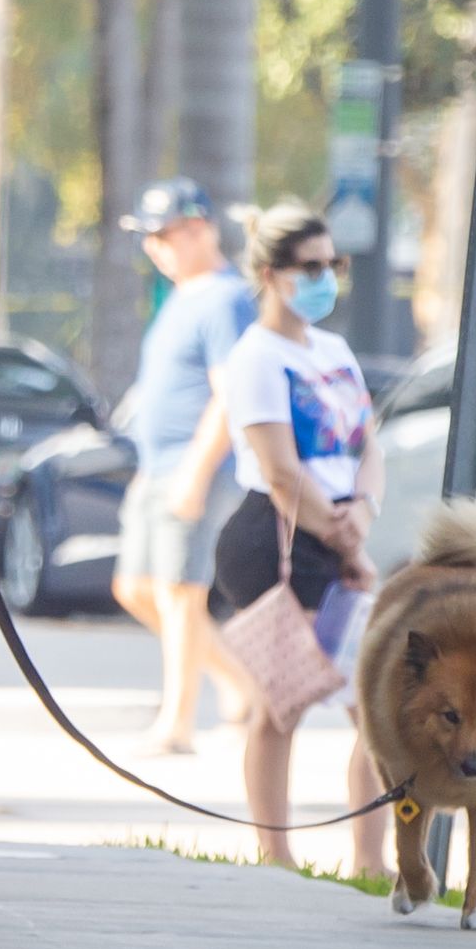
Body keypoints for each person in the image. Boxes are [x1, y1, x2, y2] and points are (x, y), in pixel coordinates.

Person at [213, 202, 387, 875]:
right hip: (279, 539)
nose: (324, 279)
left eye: (332, 265)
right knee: (279, 707)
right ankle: (275, 854)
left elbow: (368, 445)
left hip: (341, 532)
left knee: (376, 706)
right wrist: (347, 542)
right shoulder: (256, 356)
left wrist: (362, 516)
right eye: (309, 267)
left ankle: (372, 864)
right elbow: (282, 469)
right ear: (269, 274)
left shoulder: (334, 351)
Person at [114, 178, 255, 753]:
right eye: (149, 238)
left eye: (163, 235)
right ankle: (240, 681)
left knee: (179, 591)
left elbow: (230, 395)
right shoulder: (183, 294)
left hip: (195, 464)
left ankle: (177, 723)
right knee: (135, 587)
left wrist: (197, 473)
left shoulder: (226, 298)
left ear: (199, 230)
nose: (154, 248)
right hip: (157, 464)